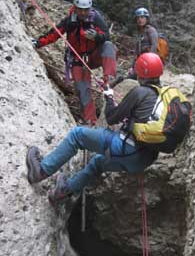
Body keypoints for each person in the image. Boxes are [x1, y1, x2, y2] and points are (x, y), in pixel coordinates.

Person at [26, 53, 166, 204]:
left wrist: (109, 97)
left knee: (77, 135)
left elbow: (111, 117)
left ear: (141, 72)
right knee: (98, 163)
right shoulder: (163, 99)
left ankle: (41, 171)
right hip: (143, 161)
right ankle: (62, 193)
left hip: (126, 149)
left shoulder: (141, 92)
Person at [33, 0, 116, 125]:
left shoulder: (95, 19)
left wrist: (96, 36)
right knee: (83, 90)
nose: (83, 13)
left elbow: (106, 36)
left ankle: (109, 81)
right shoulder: (70, 21)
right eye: (80, 10)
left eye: (86, 10)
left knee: (108, 46)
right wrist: (38, 43)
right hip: (78, 59)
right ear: (75, 8)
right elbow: (54, 34)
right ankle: (90, 121)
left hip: (94, 56)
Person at [128, 7, 159, 79]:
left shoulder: (151, 30)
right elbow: (136, 53)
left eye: (142, 17)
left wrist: (148, 62)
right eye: (138, 18)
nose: (140, 20)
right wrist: (132, 66)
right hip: (141, 62)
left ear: (147, 19)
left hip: (151, 63)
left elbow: (154, 46)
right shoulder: (140, 33)